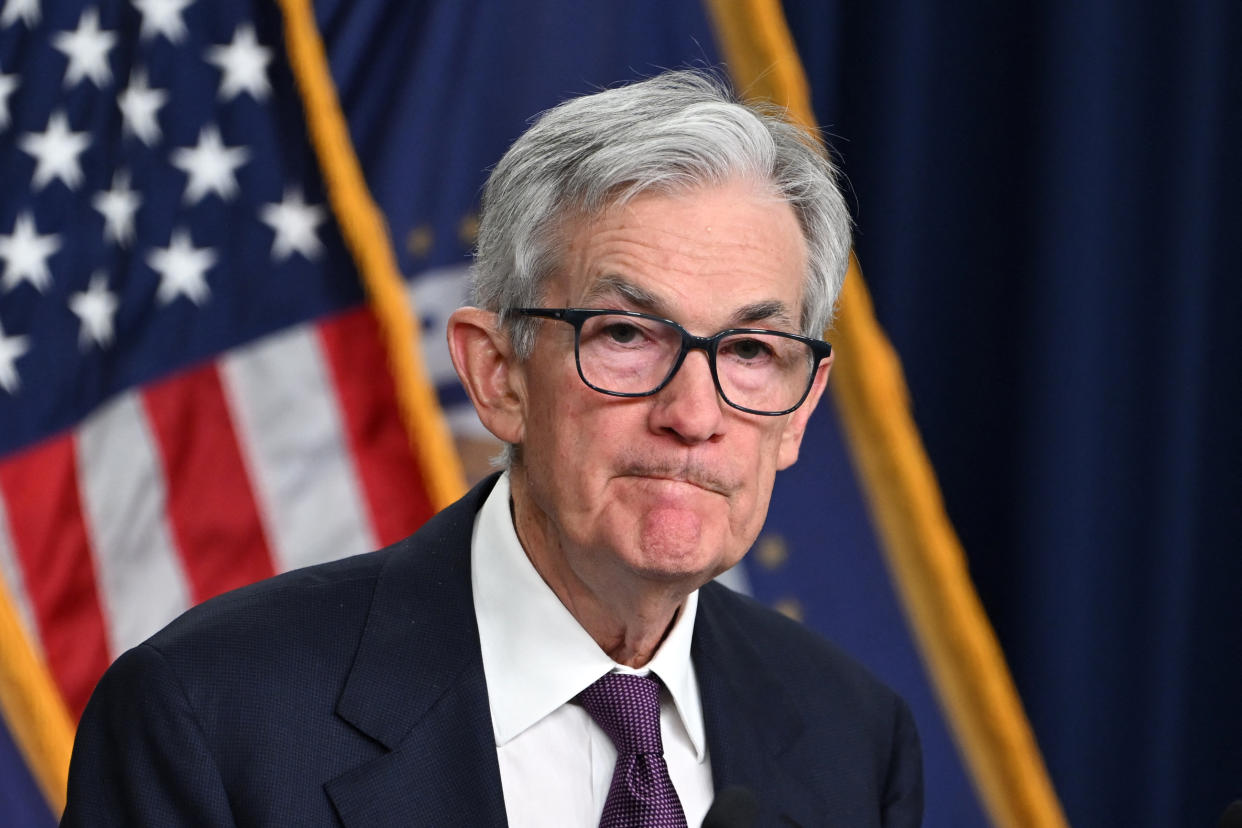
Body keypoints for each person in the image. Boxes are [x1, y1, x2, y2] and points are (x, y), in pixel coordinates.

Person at [61, 70, 922, 827]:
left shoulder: (854, 739)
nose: (693, 414)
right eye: (625, 334)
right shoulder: (211, 717)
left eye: (749, 352)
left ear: (800, 409)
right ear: (498, 375)